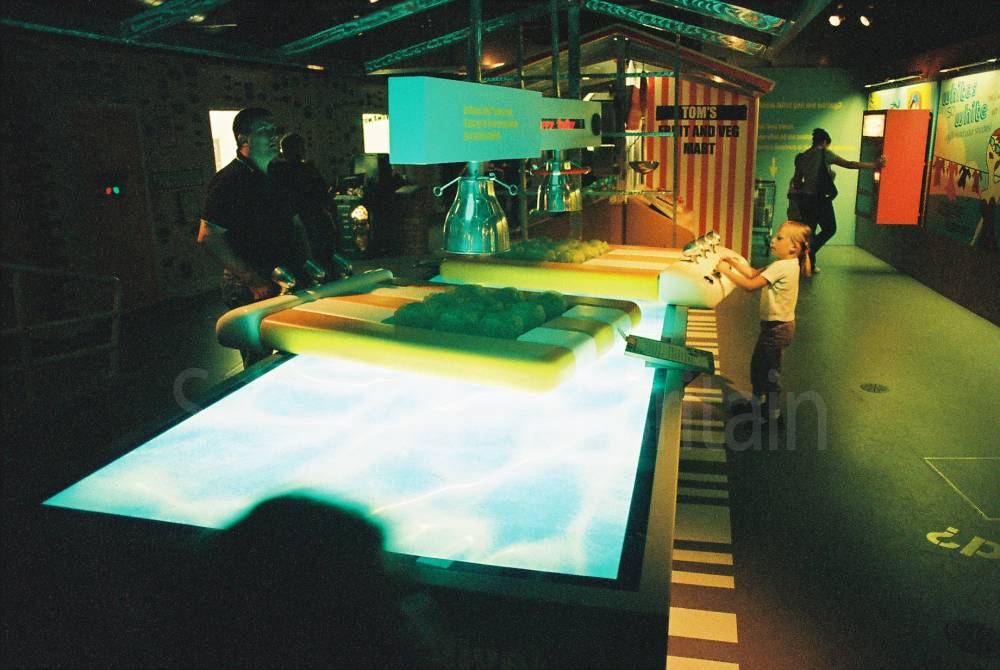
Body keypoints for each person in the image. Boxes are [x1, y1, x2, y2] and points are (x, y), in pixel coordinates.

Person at [197, 107, 313, 368]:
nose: (273, 136)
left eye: (274, 130)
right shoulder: (228, 181)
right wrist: (250, 277)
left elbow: (295, 224)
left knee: (293, 347)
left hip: (286, 275)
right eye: (264, 131)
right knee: (259, 360)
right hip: (251, 282)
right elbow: (208, 236)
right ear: (243, 139)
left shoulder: (278, 175)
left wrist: (307, 261)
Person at [714, 220, 813, 426]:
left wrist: (725, 270)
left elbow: (750, 285)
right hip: (775, 327)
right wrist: (733, 263)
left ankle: (773, 416)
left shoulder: (781, 266)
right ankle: (757, 404)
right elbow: (752, 272)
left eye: (779, 238)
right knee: (760, 366)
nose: (773, 240)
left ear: (794, 247)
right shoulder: (786, 264)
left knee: (769, 372)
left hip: (777, 329)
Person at [788, 128, 885, 272]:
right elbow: (849, 164)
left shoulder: (802, 157)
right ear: (824, 142)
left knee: (810, 232)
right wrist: (874, 165)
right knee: (830, 229)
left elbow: (797, 182)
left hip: (806, 200)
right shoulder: (824, 153)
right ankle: (810, 251)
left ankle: (809, 265)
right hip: (820, 199)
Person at [269, 132, 338, 267]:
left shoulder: (274, 170)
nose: (305, 150)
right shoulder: (307, 170)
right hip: (312, 220)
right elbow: (321, 195)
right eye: (302, 147)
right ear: (297, 149)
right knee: (321, 259)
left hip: (288, 222)